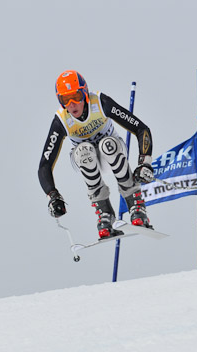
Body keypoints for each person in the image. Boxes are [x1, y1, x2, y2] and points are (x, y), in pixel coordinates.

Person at [38, 70, 155, 239]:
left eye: (76, 97)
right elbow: (44, 165)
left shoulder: (100, 103)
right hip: (87, 160)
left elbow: (141, 128)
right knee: (84, 150)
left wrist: (145, 162)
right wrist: (53, 195)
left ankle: (135, 203)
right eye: (65, 100)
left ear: (85, 94)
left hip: (113, 152)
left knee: (106, 144)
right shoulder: (62, 120)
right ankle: (104, 212)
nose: (72, 104)